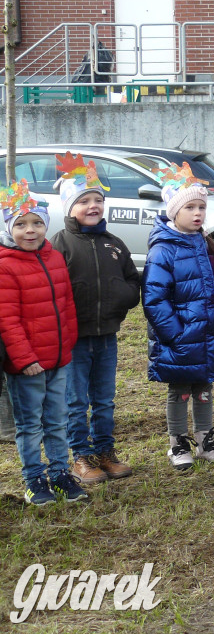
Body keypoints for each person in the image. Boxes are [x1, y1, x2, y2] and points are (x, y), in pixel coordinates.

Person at [51, 152, 140, 485]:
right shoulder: (59, 245)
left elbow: (133, 280)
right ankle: (81, 456)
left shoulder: (113, 244)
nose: (93, 206)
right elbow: (51, 289)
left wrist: (123, 298)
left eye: (98, 200)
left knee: (104, 400)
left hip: (107, 336)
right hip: (74, 338)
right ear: (69, 207)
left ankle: (105, 452)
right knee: (77, 401)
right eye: (84, 201)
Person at [0, 180, 86, 506]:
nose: (30, 230)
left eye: (37, 223)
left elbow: (65, 305)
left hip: (59, 359)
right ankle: (34, 479)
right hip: (28, 366)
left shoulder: (53, 259)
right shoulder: (6, 265)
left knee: (56, 421)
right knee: (30, 425)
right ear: (8, 228)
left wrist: (68, 346)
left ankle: (61, 474)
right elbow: (6, 320)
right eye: (20, 224)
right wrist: (24, 359)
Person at [143, 163, 214, 470]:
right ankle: (178, 444)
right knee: (179, 391)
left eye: (202, 207)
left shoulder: (204, 244)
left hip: (205, 335)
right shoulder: (163, 249)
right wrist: (176, 336)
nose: (198, 213)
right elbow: (155, 299)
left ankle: (206, 440)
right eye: (190, 207)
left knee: (204, 388)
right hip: (179, 338)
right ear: (174, 211)